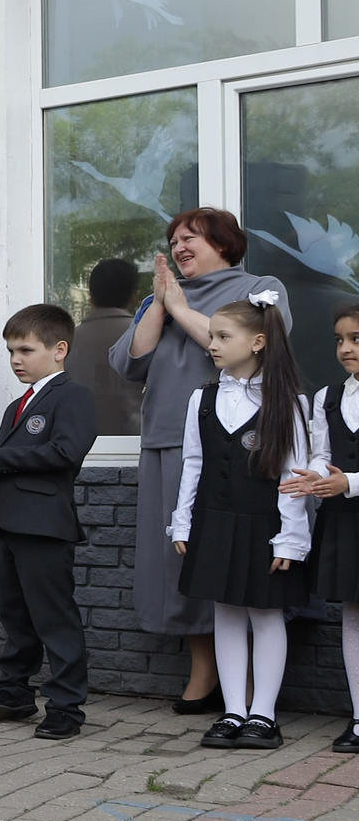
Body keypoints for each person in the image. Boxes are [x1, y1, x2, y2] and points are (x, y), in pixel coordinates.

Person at [110, 209, 288, 713]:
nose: (179, 246)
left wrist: (180, 305)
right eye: (174, 239)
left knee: (242, 555)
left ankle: (254, 687)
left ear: (225, 243)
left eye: (190, 237)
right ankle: (206, 670)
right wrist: (160, 306)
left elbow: (261, 343)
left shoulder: (260, 286)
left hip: (244, 446)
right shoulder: (160, 298)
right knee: (181, 559)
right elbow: (128, 364)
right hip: (169, 441)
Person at [0, 304, 98, 739]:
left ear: (59, 350)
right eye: (11, 350)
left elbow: (65, 452)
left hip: (46, 527)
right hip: (11, 524)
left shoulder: (73, 396)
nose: (15, 359)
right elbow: (19, 462)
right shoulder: (18, 405)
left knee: (54, 618)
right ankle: (14, 692)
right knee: (17, 617)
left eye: (26, 350)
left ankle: (67, 706)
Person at [170, 294, 309, 753]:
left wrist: (290, 539)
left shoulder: (287, 401)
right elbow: (193, 462)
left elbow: (294, 473)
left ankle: (263, 716)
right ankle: (232, 710)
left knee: (266, 616)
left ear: (257, 341)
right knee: (225, 614)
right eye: (211, 335)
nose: (212, 344)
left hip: (263, 525)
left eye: (223, 336)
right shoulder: (202, 398)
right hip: (213, 521)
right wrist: (183, 523)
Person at [290, 301, 359, 758]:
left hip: (349, 498)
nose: (345, 348)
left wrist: (349, 482)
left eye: (355, 339)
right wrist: (316, 474)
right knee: (353, 613)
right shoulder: (329, 397)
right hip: (345, 521)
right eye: (339, 339)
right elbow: (322, 449)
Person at [68, 258, 143, 437]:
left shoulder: (67, 342)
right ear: (134, 295)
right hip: (136, 442)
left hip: (78, 442)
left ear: (91, 295)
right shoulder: (144, 336)